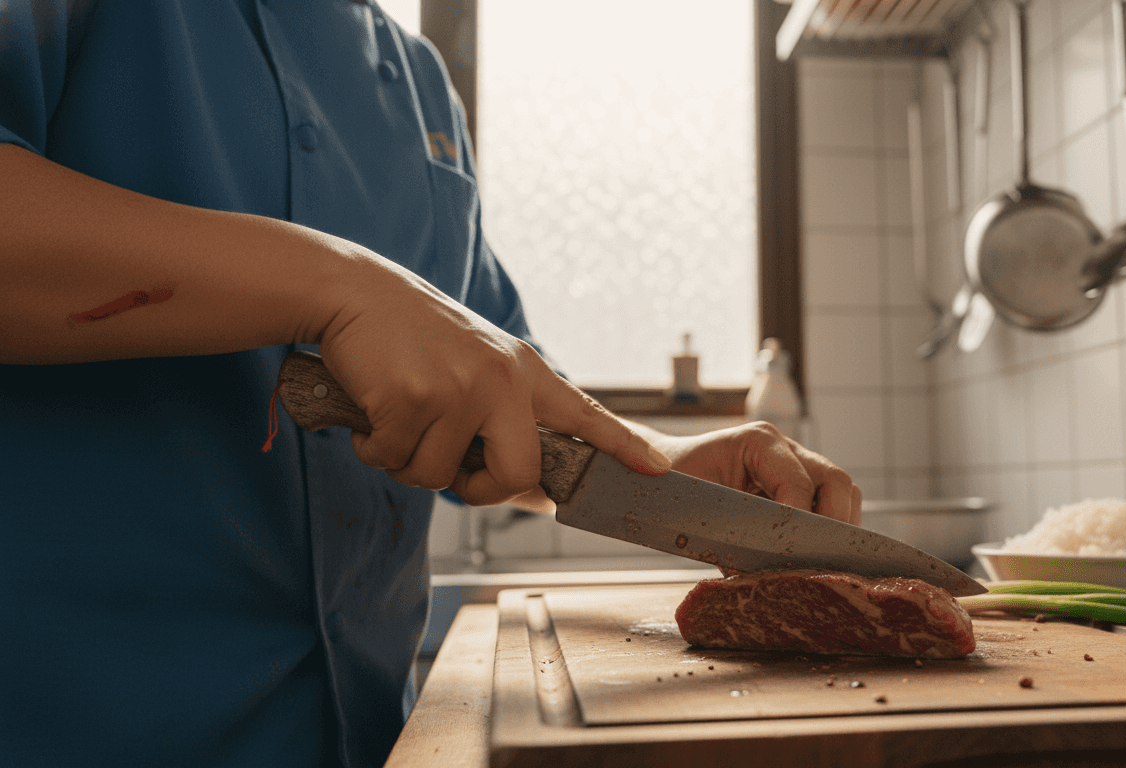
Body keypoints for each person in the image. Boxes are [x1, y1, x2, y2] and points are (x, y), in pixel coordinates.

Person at [0, 2, 861, 766]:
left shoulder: (420, 87)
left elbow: (496, 403)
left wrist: (664, 460)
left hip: (377, 740)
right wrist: (338, 285)